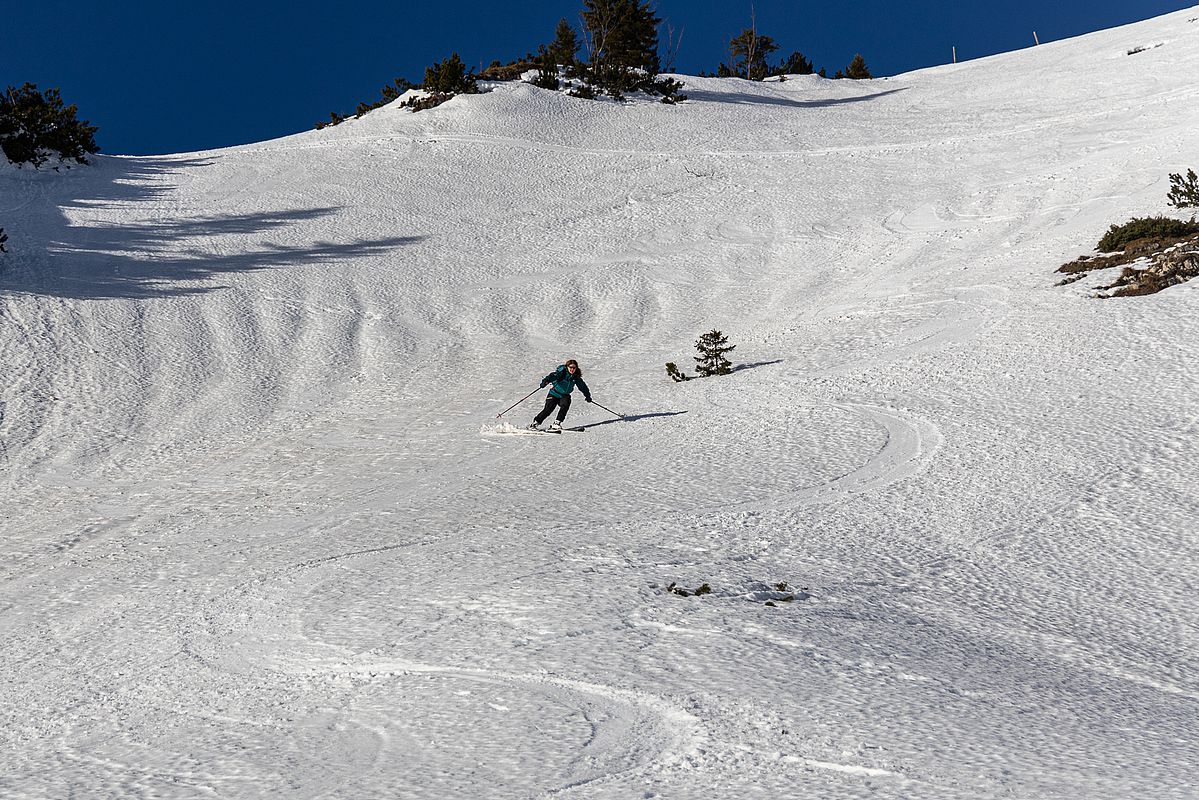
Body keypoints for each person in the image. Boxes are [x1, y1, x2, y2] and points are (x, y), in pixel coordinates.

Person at [530, 359, 592, 431]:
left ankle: (557, 423)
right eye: (570, 367)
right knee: (548, 409)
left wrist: (587, 396)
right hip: (554, 393)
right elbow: (551, 376)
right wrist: (545, 382)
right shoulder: (561, 373)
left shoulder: (575, 377)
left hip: (564, 395)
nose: (572, 369)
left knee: (565, 405)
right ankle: (535, 423)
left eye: (574, 368)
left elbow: (583, 387)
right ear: (567, 367)